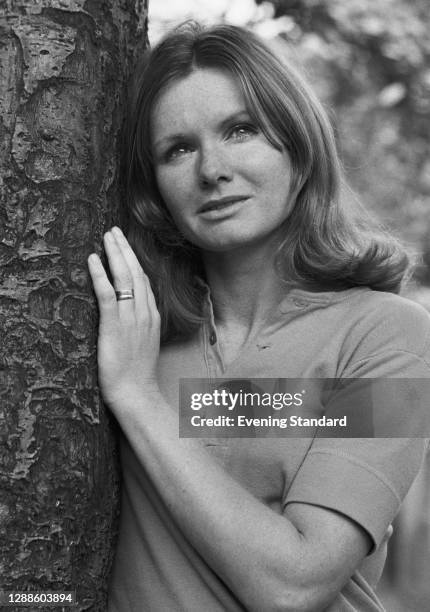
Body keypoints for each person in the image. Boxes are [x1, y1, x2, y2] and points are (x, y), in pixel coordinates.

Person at [87, 22, 430, 612]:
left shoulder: (390, 336)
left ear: (298, 146)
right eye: (178, 148)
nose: (211, 170)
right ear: (154, 190)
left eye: (240, 130)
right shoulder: (131, 332)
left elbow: (294, 585)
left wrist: (137, 397)